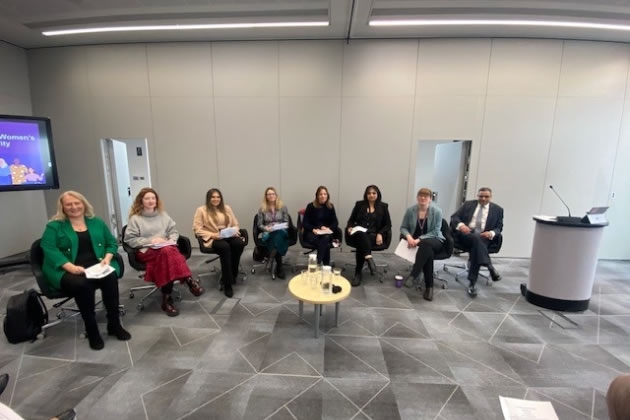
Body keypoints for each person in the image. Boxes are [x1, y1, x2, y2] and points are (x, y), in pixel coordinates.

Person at [40, 191, 131, 350]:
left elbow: (111, 243)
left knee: (110, 277)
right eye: (69, 204)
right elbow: (48, 248)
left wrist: (107, 258)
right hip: (66, 268)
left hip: (96, 264)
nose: (74, 207)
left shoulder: (96, 222)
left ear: (83, 204)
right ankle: (92, 330)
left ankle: (114, 324)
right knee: (82, 284)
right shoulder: (54, 226)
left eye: (77, 203)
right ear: (62, 207)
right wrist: (69, 267)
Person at [124, 188, 204, 317]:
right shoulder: (135, 219)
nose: (151, 201)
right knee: (169, 252)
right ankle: (189, 280)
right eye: (147, 198)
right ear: (141, 201)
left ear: (156, 200)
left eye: (153, 198)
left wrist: (170, 240)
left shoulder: (163, 215)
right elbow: (130, 240)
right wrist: (151, 240)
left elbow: (174, 232)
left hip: (165, 249)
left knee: (167, 253)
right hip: (146, 250)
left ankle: (166, 300)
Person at [451, 187, 504, 298]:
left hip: (484, 237)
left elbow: (499, 227)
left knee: (477, 247)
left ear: (491, 197)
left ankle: (472, 283)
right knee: (476, 239)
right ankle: (490, 267)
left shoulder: (498, 210)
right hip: (466, 235)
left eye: (486, 196)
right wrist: (462, 226)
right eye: (481, 196)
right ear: (477, 196)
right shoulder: (468, 205)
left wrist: (491, 233)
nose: (483, 198)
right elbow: (454, 217)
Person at [193, 188, 245, 298]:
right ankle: (227, 284)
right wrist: (212, 235)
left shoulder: (227, 208)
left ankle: (233, 273)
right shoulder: (201, 210)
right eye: (213, 197)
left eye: (218, 197)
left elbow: (235, 223)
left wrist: (234, 231)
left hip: (227, 234)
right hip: (214, 237)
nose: (216, 199)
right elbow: (197, 228)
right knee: (225, 247)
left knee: (239, 244)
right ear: (208, 198)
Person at [400, 188, 445, 301]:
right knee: (427, 251)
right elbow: (403, 227)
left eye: (426, 196)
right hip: (418, 242)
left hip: (435, 239)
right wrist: (409, 237)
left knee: (426, 244)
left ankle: (414, 274)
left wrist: (418, 240)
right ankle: (429, 287)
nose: (423, 198)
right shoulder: (411, 211)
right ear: (417, 197)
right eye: (420, 195)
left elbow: (435, 231)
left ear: (430, 199)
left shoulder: (437, 211)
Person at [345, 185, 392, 286]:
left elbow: (388, 225)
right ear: (366, 195)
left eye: (374, 193)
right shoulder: (359, 205)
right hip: (358, 232)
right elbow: (351, 220)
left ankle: (358, 273)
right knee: (361, 235)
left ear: (377, 194)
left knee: (361, 245)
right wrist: (349, 227)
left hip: (374, 235)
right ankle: (368, 258)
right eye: (369, 193)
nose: (371, 195)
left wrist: (380, 233)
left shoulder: (383, 206)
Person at [257, 187, 290, 279]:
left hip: (282, 231)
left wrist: (279, 226)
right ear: (266, 196)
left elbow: (286, 222)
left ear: (276, 195)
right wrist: (266, 228)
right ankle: (279, 267)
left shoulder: (283, 207)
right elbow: (259, 224)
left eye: (273, 194)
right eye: (269, 194)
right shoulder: (262, 209)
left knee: (278, 233)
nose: (271, 196)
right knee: (276, 238)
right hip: (269, 232)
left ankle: (270, 260)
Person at [303, 186, 339, 266]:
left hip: (326, 233)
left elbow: (335, 222)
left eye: (325, 194)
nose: (323, 196)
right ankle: (325, 265)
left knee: (325, 238)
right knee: (325, 242)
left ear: (327, 195)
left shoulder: (330, 206)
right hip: (312, 233)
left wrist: (328, 228)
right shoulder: (311, 206)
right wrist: (313, 229)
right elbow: (305, 223)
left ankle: (318, 263)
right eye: (321, 194)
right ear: (317, 196)